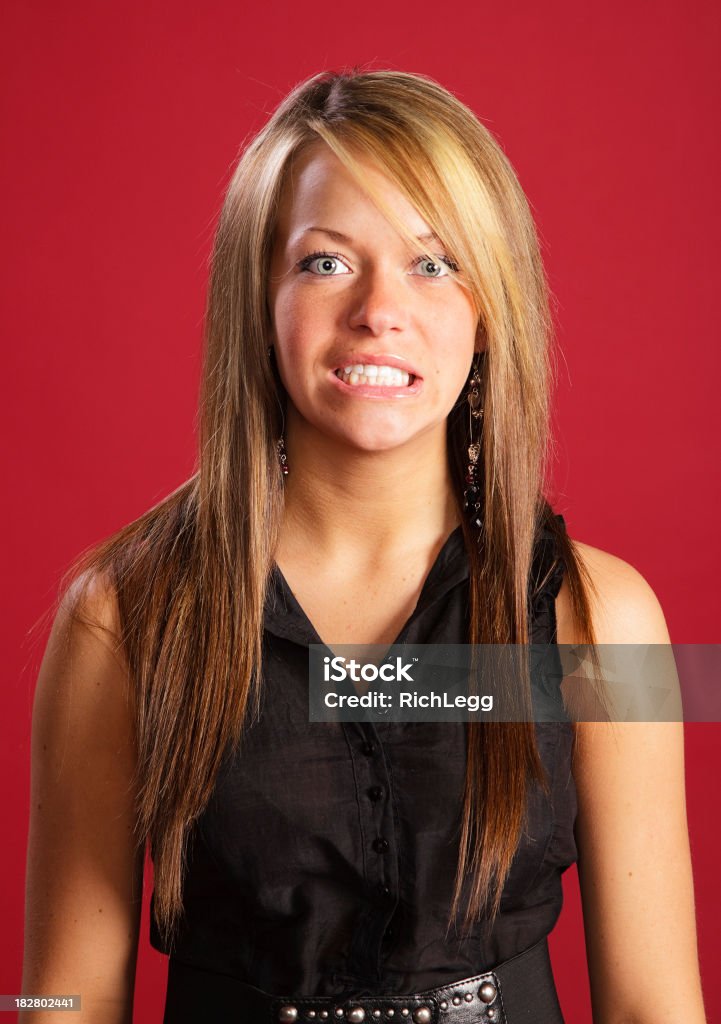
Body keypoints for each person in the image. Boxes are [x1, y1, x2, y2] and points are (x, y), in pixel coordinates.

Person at [21, 69, 707, 1024]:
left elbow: (653, 1006)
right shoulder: (120, 616)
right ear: (258, 296)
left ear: (489, 304)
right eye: (326, 261)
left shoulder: (604, 620)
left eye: (433, 264)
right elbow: (57, 999)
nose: (380, 309)